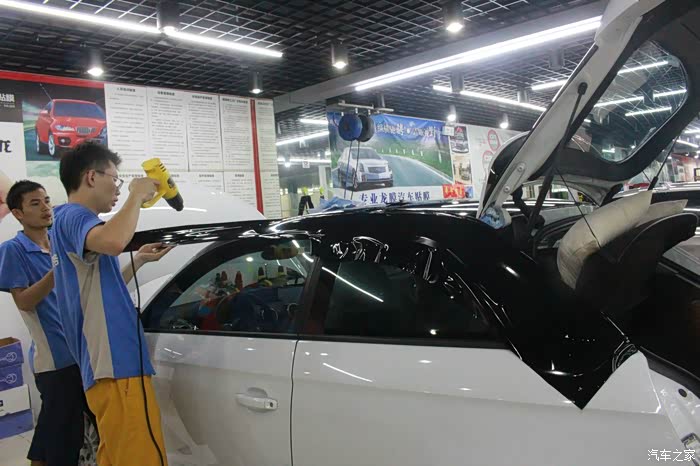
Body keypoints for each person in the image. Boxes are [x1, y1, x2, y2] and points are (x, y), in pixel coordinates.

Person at [50, 142, 173, 466]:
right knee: (139, 457)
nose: (118, 188)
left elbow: (97, 282)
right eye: (115, 179)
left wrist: (139, 260)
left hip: (104, 364)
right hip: (115, 363)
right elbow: (115, 241)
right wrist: (137, 195)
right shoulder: (76, 216)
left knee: (117, 454)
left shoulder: (67, 223)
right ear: (91, 177)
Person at [0, 180, 86, 466]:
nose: (46, 208)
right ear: (18, 213)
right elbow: (24, 301)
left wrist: (141, 259)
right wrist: (56, 269)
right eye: (35, 204)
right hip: (54, 359)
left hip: (79, 352)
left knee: (54, 426)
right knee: (65, 437)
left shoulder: (59, 243)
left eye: (47, 201)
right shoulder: (13, 250)